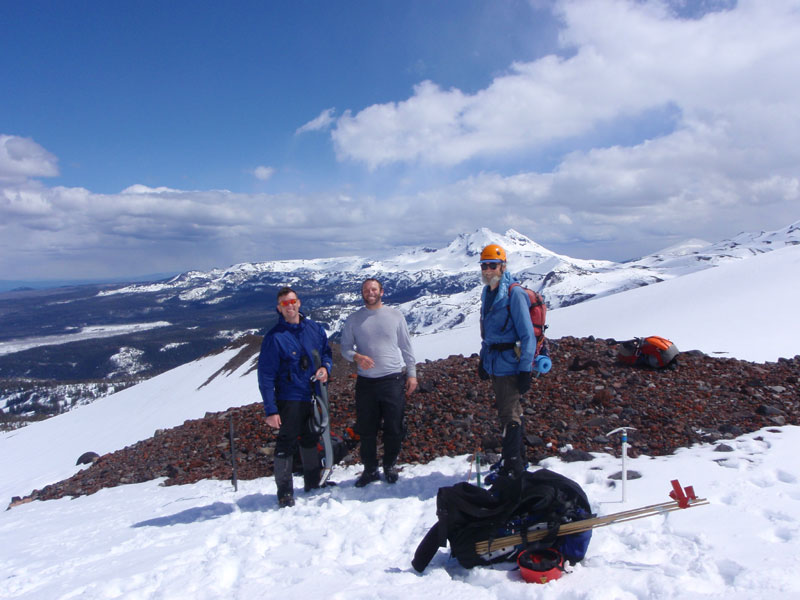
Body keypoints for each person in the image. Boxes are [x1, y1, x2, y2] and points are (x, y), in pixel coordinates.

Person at [257, 286, 333, 508]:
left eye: (292, 302)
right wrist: (271, 410)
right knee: (286, 443)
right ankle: (285, 493)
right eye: (284, 304)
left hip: (313, 395)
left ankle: (313, 482)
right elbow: (266, 376)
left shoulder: (314, 329)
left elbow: (326, 353)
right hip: (290, 397)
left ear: (299, 303)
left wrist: (326, 368)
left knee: (310, 438)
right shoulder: (274, 338)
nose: (289, 307)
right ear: (279, 309)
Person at [340, 278, 418, 487]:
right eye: (366, 290)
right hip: (366, 383)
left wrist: (411, 373)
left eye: (373, 289)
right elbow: (345, 348)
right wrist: (357, 357)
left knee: (394, 426)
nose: (370, 292)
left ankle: (390, 465)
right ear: (362, 293)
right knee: (367, 429)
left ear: (381, 292)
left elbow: (406, 346)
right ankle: (370, 469)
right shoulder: (354, 319)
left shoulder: (395, 316)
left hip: (392, 379)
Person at [477, 244, 536, 478]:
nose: (488, 269)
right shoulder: (488, 292)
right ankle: (517, 459)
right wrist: (483, 360)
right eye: (484, 265)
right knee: (511, 411)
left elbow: (527, 335)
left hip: (510, 364)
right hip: (495, 361)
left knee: (508, 415)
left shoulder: (515, 294)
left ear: (503, 266)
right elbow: (488, 331)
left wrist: (525, 370)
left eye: (492, 265)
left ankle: (511, 466)